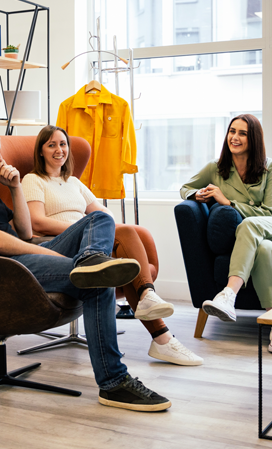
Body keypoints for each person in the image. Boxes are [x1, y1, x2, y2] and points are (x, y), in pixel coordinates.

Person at [0, 121, 171, 412]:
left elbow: (22, 231)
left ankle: (89, 261)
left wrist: (15, 187)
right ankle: (113, 383)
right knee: (97, 280)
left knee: (101, 220)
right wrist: (51, 257)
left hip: (20, 255)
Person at [21, 125, 203, 366]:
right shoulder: (33, 180)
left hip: (89, 245)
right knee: (119, 233)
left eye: (63, 144)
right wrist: (83, 227)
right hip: (55, 246)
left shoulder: (74, 182)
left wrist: (98, 231)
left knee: (123, 250)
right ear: (41, 151)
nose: (59, 150)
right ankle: (158, 325)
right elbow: (37, 221)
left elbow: (103, 213)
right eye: (51, 145)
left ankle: (160, 332)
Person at [180, 114, 272, 354]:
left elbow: (271, 213)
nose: (235, 137)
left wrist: (228, 203)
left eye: (242, 133)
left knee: (249, 225)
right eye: (232, 131)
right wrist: (196, 196)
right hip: (262, 240)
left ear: (254, 139)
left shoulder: (271, 168)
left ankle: (229, 294)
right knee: (264, 249)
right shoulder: (216, 168)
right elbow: (185, 187)